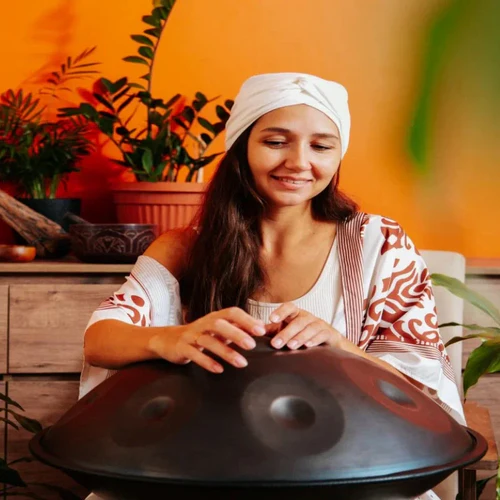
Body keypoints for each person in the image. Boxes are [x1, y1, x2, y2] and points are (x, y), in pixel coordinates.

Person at [81, 72, 463, 500]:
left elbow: (424, 396)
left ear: (338, 157)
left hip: (351, 469)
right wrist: (172, 338)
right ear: (242, 145)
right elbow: (100, 340)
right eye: (276, 142)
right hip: (210, 464)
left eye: (321, 146)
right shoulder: (185, 248)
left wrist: (339, 346)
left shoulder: (380, 245)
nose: (299, 163)